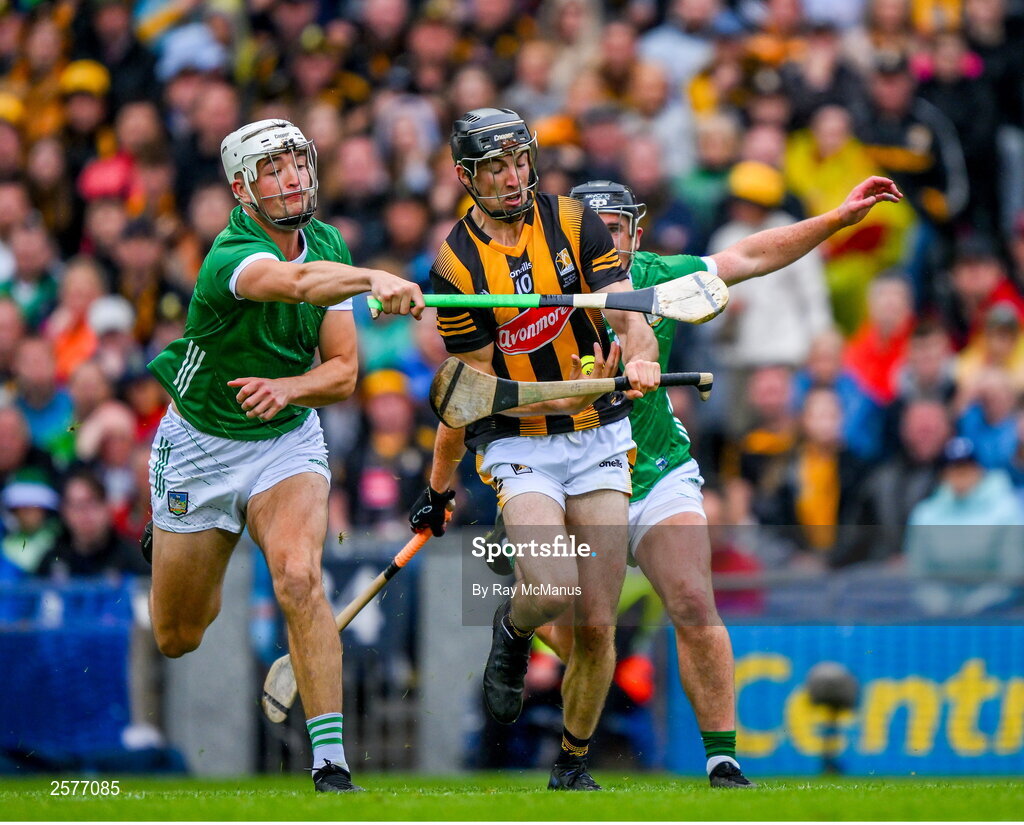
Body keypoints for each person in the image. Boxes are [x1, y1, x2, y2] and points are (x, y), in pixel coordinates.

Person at [536, 172, 902, 787]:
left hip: (654, 470)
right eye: (593, 232)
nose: (608, 242)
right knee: (581, 633)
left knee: (692, 602)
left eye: (617, 229)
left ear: (635, 231)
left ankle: (722, 761)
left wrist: (836, 220)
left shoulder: (660, 276)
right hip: (572, 475)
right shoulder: (542, 288)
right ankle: (527, 636)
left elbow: (752, 256)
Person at [142, 118, 422, 793]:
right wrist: (372, 277)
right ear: (242, 189)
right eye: (273, 169)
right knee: (180, 633)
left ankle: (330, 761)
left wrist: (290, 387)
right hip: (200, 447)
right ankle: (176, 538)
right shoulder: (230, 255)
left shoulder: (326, 242)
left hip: (285, 441)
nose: (292, 178)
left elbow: (344, 372)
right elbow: (295, 285)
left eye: (297, 163)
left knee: (299, 576)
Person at [410, 107, 662, 791]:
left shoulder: (575, 223)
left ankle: (572, 763)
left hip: (600, 430)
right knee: (549, 589)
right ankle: (514, 630)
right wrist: (440, 482)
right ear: (467, 177)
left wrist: (637, 354)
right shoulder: (455, 267)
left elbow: (624, 306)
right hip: (521, 441)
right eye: (495, 166)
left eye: (519, 160)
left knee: (600, 624)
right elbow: (473, 389)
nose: (512, 176)